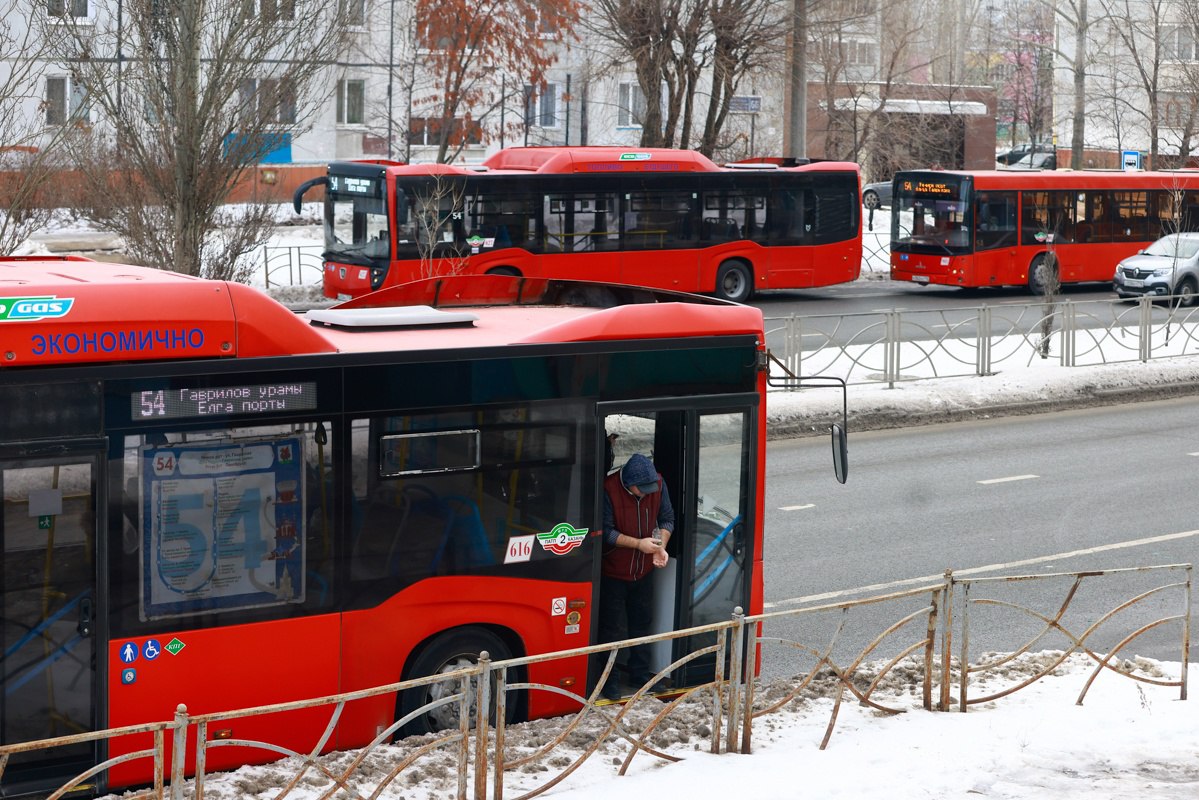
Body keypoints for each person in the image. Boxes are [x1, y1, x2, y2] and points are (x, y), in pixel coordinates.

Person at [598, 453, 675, 700]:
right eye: (640, 490)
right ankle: (608, 682)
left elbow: (667, 519)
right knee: (611, 630)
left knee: (642, 624)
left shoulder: (658, 485)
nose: (645, 493)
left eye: (649, 488)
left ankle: (640, 674)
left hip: (643, 572)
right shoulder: (608, 489)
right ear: (627, 483)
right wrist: (638, 545)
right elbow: (605, 532)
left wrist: (660, 546)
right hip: (613, 573)